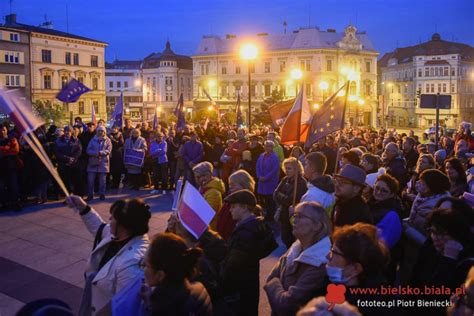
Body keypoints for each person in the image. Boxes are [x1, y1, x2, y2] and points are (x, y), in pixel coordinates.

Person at [65, 195, 151, 316]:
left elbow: (124, 307)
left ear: (123, 226)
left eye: (113, 218)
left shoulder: (132, 264)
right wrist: (82, 206)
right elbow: (99, 227)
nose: (109, 219)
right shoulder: (120, 234)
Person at [264, 202, 331, 316]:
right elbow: (270, 277)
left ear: (317, 225)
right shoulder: (296, 247)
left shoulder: (320, 261)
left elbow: (286, 305)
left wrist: (274, 283)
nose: (294, 221)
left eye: (300, 216)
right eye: (294, 216)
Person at [221, 189, 278, 316]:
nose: (230, 210)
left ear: (245, 208)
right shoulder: (255, 227)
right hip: (248, 287)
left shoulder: (245, 234)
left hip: (238, 291)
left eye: (234, 207)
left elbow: (232, 267)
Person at [410, 207, 474, 315]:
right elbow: (415, 278)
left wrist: (448, 260)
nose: (436, 237)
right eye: (433, 232)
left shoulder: (468, 264)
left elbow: (439, 297)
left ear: (457, 235)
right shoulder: (430, 246)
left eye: (443, 233)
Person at [326, 223, 392, 316]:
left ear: (355, 269)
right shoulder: (331, 285)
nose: (327, 256)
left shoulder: (359, 310)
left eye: (334, 253)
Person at [140, 233, 213, 316]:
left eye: (145, 265)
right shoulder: (199, 288)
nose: (142, 267)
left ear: (160, 275)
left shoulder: (164, 309)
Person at [273, 157, 308, 248]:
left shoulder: (301, 182)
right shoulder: (285, 179)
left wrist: (282, 196)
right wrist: (284, 197)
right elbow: (275, 194)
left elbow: (291, 200)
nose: (287, 171)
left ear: (297, 169)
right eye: (286, 168)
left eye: (289, 168)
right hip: (283, 214)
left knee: (291, 239)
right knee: (285, 237)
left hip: (293, 215)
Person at [408, 169, 451, 235]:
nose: (418, 183)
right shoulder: (422, 194)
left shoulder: (441, 204)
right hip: (413, 230)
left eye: (422, 182)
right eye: (420, 179)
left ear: (432, 186)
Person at [216, 169, 255, 241]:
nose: (230, 187)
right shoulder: (228, 201)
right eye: (229, 184)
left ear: (244, 185)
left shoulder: (246, 204)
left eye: (233, 184)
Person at [193, 162, 225, 230]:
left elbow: (206, 215)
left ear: (210, 174)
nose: (201, 179)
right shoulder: (203, 188)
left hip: (209, 229)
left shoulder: (213, 193)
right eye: (197, 177)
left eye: (204, 175)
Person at [256, 140, 280, 221]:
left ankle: (270, 216)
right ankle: (264, 214)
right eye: (266, 146)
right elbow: (258, 166)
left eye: (269, 146)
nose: (267, 147)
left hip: (270, 181)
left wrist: (266, 177)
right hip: (262, 181)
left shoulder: (275, 157)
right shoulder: (261, 156)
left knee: (270, 200)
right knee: (263, 199)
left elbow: (274, 170)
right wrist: (259, 176)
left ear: (272, 147)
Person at [86, 126, 112, 201]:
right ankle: (90, 194)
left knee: (102, 181)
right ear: (97, 132)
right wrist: (95, 153)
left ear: (104, 132)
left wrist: (100, 153)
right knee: (90, 180)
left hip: (103, 163)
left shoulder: (108, 140)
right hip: (93, 162)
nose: (100, 132)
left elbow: (109, 150)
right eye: (99, 131)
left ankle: (102, 194)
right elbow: (88, 150)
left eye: (102, 131)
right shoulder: (92, 140)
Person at [55, 126, 82, 195]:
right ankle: (68, 195)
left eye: (69, 131)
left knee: (75, 180)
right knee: (65, 181)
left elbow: (79, 150)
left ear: (72, 132)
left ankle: (76, 195)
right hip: (63, 164)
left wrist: (73, 159)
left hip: (73, 163)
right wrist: (67, 158)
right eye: (66, 131)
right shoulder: (58, 140)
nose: (67, 132)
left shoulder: (76, 140)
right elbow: (57, 152)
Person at [0, 124, 21, 211]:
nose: (2, 131)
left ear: (7, 130)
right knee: (1, 187)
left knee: (14, 186)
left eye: (4, 130)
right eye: (1, 130)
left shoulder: (12, 139)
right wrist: (7, 149)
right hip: (1, 167)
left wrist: (3, 150)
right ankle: (4, 204)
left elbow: (15, 150)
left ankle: (16, 203)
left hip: (11, 166)